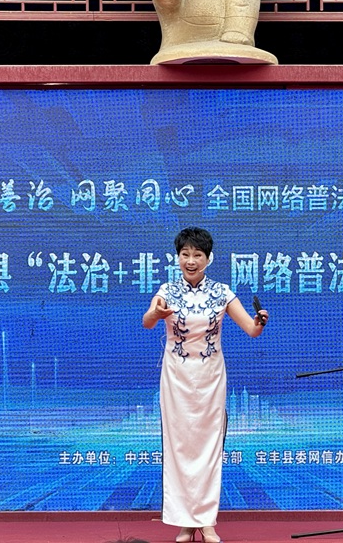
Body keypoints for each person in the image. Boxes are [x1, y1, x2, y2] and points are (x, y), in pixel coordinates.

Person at [143, 227, 268, 543]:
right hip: (176, 378)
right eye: (185, 254)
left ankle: (207, 522)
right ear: (177, 258)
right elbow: (147, 321)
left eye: (197, 254)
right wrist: (156, 312)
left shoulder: (222, 293)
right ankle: (185, 523)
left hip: (211, 378)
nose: (190, 260)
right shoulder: (167, 290)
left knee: (210, 448)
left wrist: (259, 322)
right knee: (179, 448)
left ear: (208, 258)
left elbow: (251, 330)